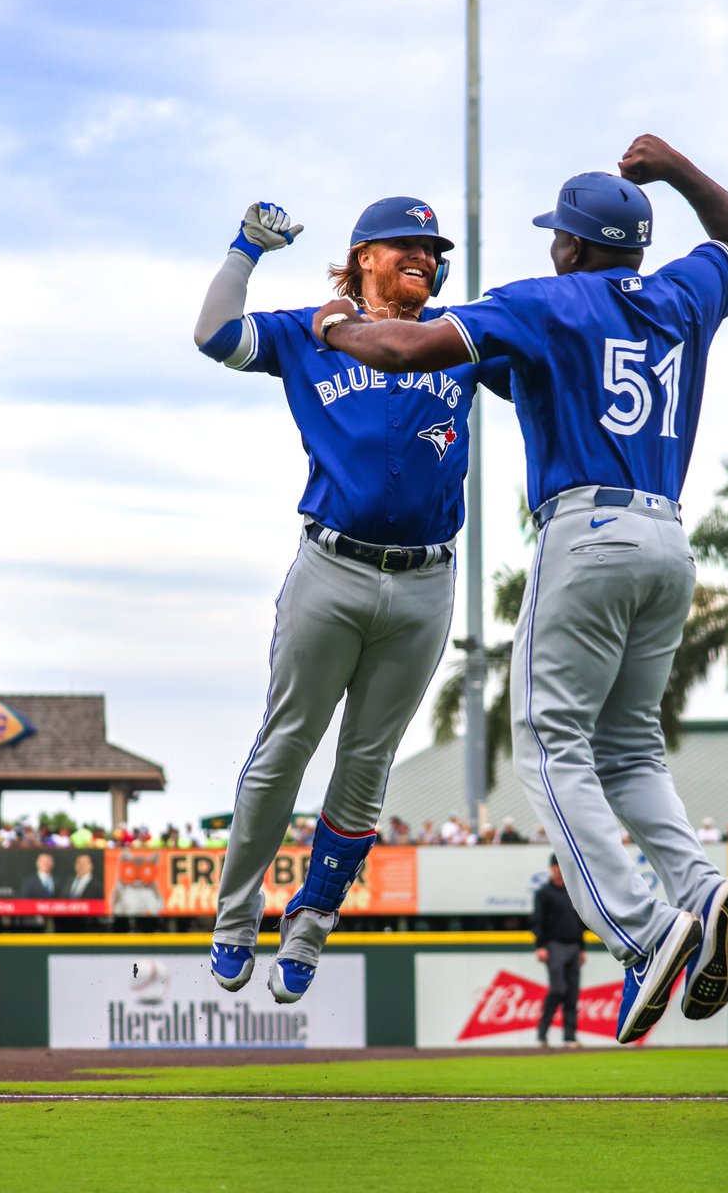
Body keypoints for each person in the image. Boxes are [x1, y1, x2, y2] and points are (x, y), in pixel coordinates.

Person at [312, 132, 728, 1044]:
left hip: (587, 534)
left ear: (570, 244)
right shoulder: (680, 294)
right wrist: (677, 169)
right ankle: (701, 889)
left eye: (558, 235)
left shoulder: (546, 300)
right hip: (667, 540)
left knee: (550, 746)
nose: (552, 246)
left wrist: (332, 325)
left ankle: (646, 933)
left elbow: (404, 349)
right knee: (630, 747)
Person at [194, 196, 507, 1006]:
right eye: (407, 245)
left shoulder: (456, 336)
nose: (425, 258)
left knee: (365, 768)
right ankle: (236, 920)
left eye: (433, 250)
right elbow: (216, 336)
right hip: (330, 567)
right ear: (364, 254)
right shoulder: (309, 329)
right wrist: (243, 252)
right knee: (285, 746)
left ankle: (308, 929)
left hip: (426, 579)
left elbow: (542, 372)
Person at [532, 855, 586, 1049]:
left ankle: (569, 1037)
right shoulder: (543, 893)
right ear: (551, 868)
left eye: (560, 866)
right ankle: (542, 1033)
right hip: (553, 945)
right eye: (556, 866)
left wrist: (581, 948)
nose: (558, 870)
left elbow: (581, 923)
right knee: (558, 989)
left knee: (572, 993)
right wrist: (540, 946)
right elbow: (537, 922)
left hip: (573, 946)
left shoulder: (574, 893)